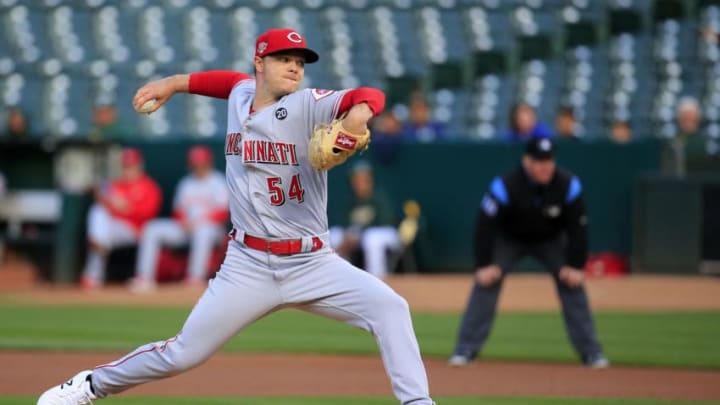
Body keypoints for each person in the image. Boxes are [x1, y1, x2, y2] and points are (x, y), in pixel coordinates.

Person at [38, 28, 435, 405]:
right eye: (284, 59)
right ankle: (88, 386)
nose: (295, 67)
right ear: (259, 63)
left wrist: (357, 116)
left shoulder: (308, 103)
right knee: (181, 354)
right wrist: (174, 83)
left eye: (300, 60)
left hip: (312, 261)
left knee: (390, 308)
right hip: (247, 265)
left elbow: (369, 95)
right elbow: (227, 82)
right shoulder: (242, 94)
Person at [448, 137, 609, 369]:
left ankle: (591, 352)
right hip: (510, 239)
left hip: (551, 240)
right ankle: (465, 349)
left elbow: (579, 227)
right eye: (538, 161)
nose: (544, 166)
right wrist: (484, 264)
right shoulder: (506, 185)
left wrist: (576, 265)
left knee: (572, 284)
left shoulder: (567, 184)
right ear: (527, 161)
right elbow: (484, 225)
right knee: (486, 282)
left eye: (548, 160)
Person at [128, 145, 229, 292]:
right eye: (195, 164)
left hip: (212, 229)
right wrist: (183, 221)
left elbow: (223, 213)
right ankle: (144, 278)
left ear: (208, 163)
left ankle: (195, 278)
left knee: (203, 231)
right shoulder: (186, 183)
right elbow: (178, 211)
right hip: (186, 227)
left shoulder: (218, 181)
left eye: (201, 163)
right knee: (152, 228)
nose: (198, 167)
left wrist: (199, 222)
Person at [79, 147, 163, 290]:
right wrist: (106, 199)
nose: (128, 170)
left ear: (139, 166)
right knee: (98, 212)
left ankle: (96, 261)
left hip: (134, 229)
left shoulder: (148, 186)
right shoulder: (115, 184)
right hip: (113, 228)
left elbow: (149, 213)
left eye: (131, 166)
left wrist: (127, 208)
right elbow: (97, 190)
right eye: (125, 166)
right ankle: (93, 276)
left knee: (100, 233)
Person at [329, 160, 402, 279]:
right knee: (334, 235)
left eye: (364, 180)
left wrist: (357, 234)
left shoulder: (379, 197)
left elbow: (385, 222)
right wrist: (349, 235)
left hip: (387, 234)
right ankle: (341, 279)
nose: (360, 184)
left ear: (371, 180)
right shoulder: (349, 199)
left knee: (372, 239)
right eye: (357, 180)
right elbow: (342, 223)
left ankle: (378, 279)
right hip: (359, 234)